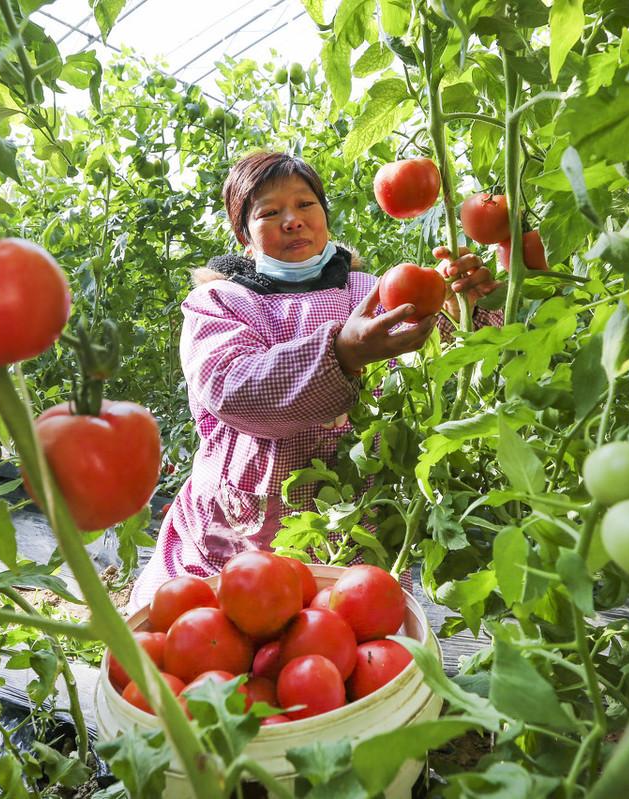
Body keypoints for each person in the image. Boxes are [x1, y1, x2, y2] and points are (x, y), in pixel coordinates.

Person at [127, 151, 502, 613]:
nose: (293, 221)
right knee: (216, 644)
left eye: (306, 205)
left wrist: (466, 303)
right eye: (269, 212)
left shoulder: (370, 292)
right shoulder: (220, 302)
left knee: (348, 647)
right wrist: (341, 354)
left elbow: (449, 342)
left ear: (325, 215)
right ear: (245, 236)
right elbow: (231, 387)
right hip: (243, 530)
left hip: (358, 526)